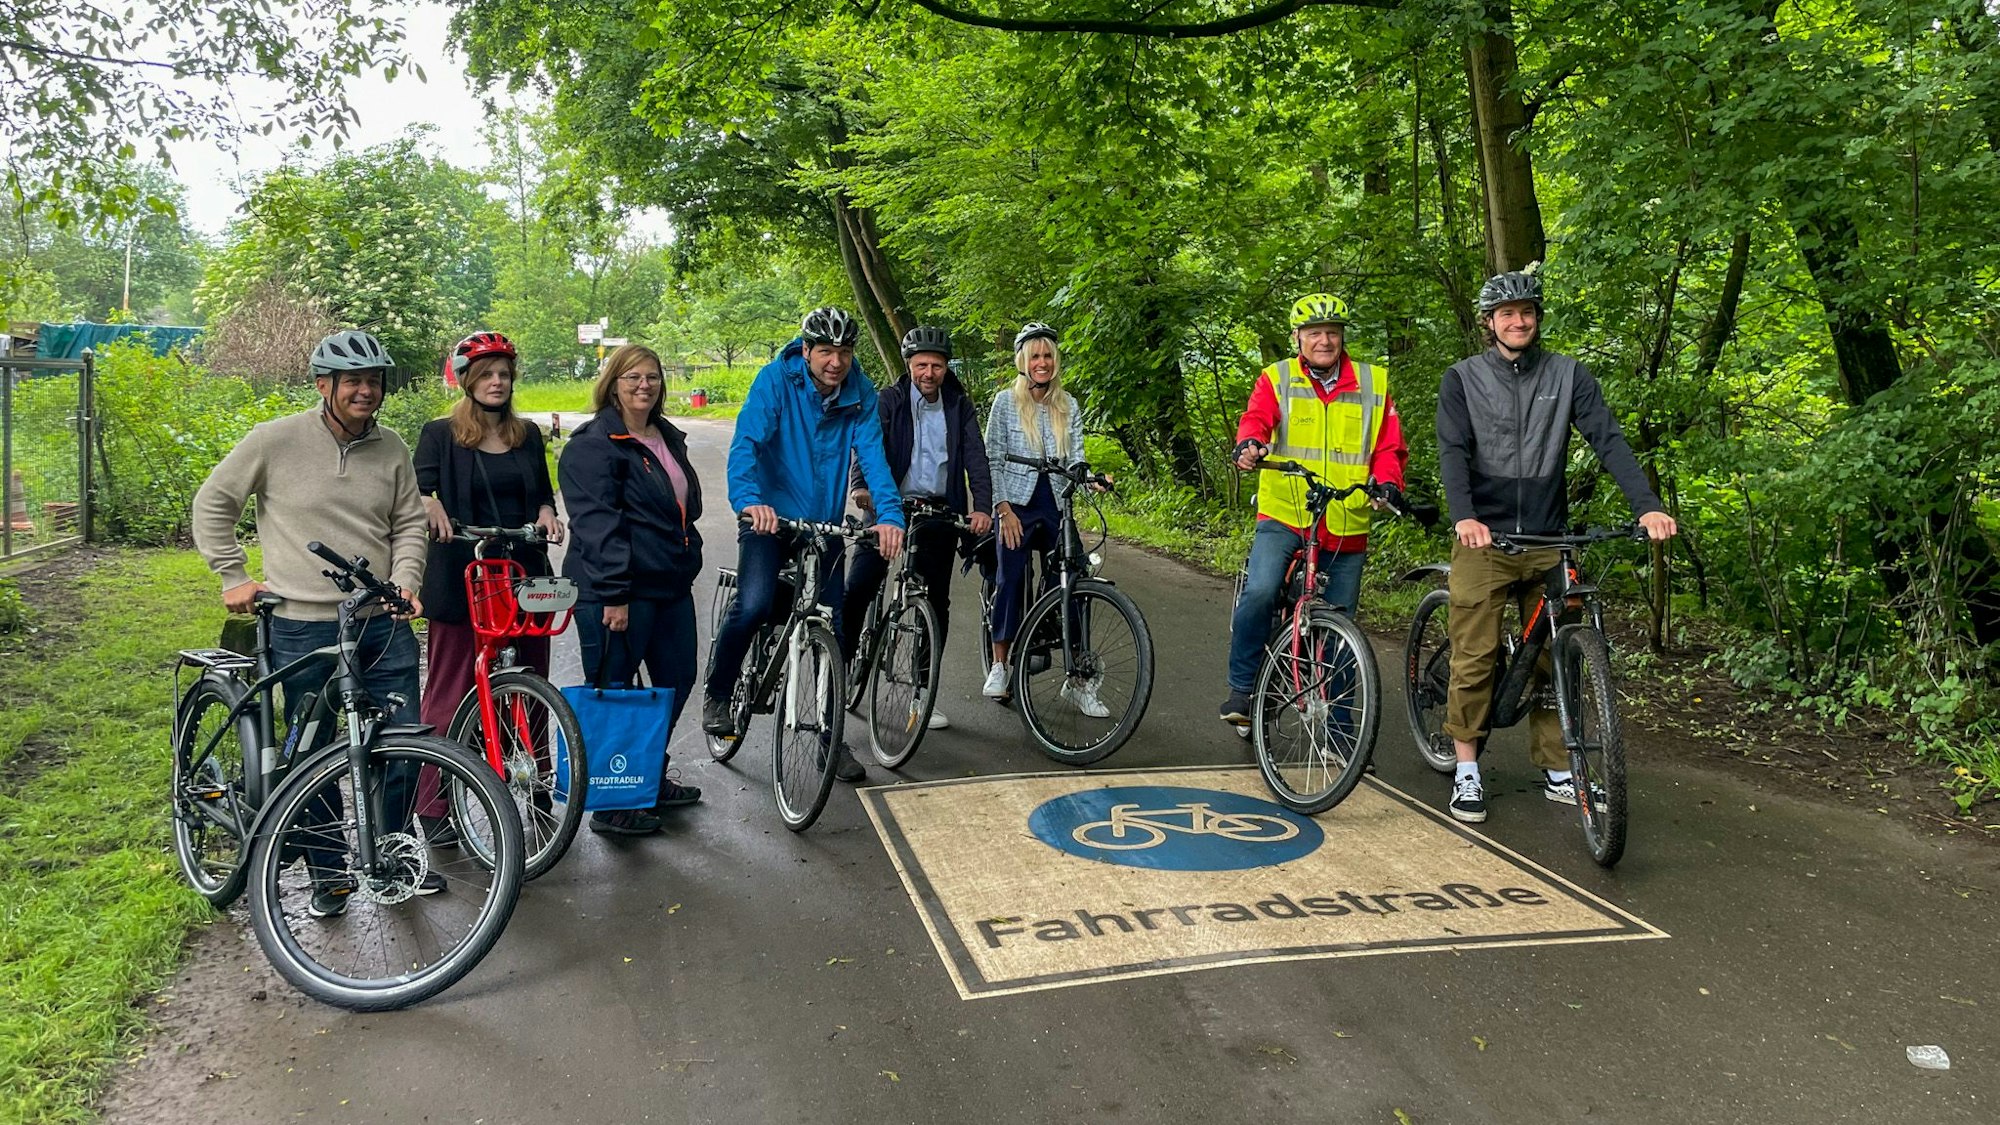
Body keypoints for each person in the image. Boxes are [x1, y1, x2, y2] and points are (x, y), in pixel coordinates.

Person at [191, 328, 430, 917]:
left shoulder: (392, 448)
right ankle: (330, 874)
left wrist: (406, 579)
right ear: (324, 385)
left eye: (373, 382)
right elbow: (214, 502)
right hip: (302, 623)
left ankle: (394, 857)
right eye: (353, 382)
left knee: (402, 744)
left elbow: (409, 523)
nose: (365, 391)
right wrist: (232, 575)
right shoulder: (274, 440)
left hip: (379, 621)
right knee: (315, 754)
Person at [1436, 266, 1677, 823]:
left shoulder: (1568, 375)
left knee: (1552, 659)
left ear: (1537, 319)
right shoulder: (1463, 378)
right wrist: (1464, 516)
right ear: (1489, 322)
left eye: (1527, 312)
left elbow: (1608, 439)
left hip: (1549, 537)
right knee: (1474, 656)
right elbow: (1453, 450)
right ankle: (1467, 767)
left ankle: (1558, 769)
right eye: (1507, 314)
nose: (1518, 321)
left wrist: (1646, 505)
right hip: (1486, 539)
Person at [700, 307, 905, 784]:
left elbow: (873, 459)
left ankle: (830, 740)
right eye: (826, 351)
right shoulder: (776, 381)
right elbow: (747, 444)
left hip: (823, 524)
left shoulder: (860, 393)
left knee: (833, 628)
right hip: (769, 519)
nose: (836, 362)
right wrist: (750, 501)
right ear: (807, 350)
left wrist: (890, 517)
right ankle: (718, 693)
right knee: (753, 604)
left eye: (845, 352)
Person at [1222, 293, 1408, 729]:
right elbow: (1256, 420)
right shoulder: (1277, 378)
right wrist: (1250, 445)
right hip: (1286, 512)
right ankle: (1243, 689)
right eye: (1315, 333)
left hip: (1345, 520)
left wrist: (1387, 483)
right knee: (1261, 591)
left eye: (1332, 333)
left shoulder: (1373, 383)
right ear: (1298, 338)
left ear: (1342, 337)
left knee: (1342, 632)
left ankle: (1342, 734)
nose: (1324, 341)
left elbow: (1388, 447)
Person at [410, 331, 562, 845]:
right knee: (452, 686)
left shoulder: (527, 435)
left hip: (522, 572)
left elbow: (542, 494)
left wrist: (547, 512)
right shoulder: (440, 434)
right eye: (486, 375)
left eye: (504, 374)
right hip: (463, 573)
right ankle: (434, 803)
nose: (497, 382)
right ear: (467, 381)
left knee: (531, 679)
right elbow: (418, 488)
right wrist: (429, 502)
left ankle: (537, 781)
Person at [559, 343, 707, 836]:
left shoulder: (665, 436)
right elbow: (597, 525)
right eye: (633, 377)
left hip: (668, 585)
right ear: (613, 384)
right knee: (615, 691)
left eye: (652, 377)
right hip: (616, 592)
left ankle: (646, 777)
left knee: (675, 681)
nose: (644, 385)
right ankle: (612, 806)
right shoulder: (594, 444)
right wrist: (615, 593)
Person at [842, 326, 994, 731]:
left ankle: (922, 692)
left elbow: (976, 458)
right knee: (859, 586)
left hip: (937, 511)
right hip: (889, 506)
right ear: (909, 364)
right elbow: (868, 443)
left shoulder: (958, 406)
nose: (929, 373)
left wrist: (982, 507)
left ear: (946, 368)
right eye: (922, 365)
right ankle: (837, 673)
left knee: (936, 602)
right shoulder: (889, 400)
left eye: (937, 366)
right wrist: (861, 486)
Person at [981, 322, 1109, 715]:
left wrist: (1093, 479)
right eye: (1035, 355)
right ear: (1022, 361)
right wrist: (1003, 510)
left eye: (1048, 355)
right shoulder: (1005, 402)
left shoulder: (1068, 405)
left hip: (1055, 504)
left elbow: (1077, 459)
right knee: (1010, 576)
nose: (1042, 362)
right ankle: (1000, 665)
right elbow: (992, 460)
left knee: (1076, 579)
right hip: (1016, 507)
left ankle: (1077, 679)